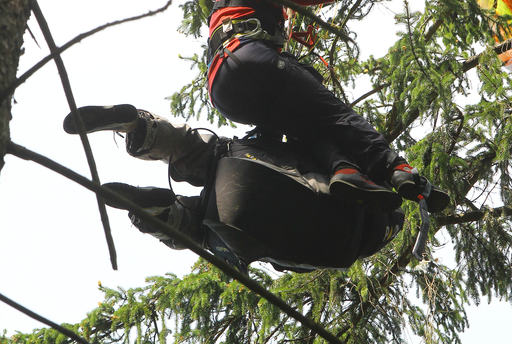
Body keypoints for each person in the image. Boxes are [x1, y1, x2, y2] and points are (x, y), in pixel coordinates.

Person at [207, 0, 450, 213]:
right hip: (250, 59)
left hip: (224, 89)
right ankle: (396, 167)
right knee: (334, 115)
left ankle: (345, 170)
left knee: (308, 126)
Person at [63, 104, 406, 272]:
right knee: (197, 230)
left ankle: (139, 128)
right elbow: (286, 264)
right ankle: (159, 215)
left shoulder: (357, 182)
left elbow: (311, 143)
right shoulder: (345, 252)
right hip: (242, 234)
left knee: (201, 150)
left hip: (255, 177)